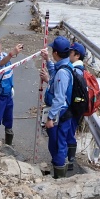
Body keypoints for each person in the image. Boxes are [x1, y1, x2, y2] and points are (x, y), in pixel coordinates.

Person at [40, 37, 86, 178]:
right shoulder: (67, 66)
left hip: (60, 114)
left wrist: (51, 118)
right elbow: (54, 75)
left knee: (57, 145)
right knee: (59, 144)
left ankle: (59, 176)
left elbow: (59, 98)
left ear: (55, 53)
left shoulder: (63, 72)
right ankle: (60, 170)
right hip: (66, 113)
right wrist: (48, 61)